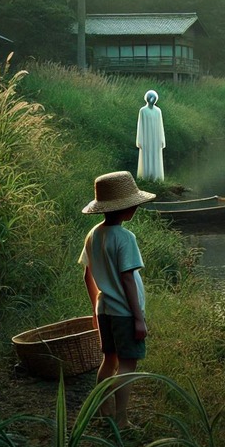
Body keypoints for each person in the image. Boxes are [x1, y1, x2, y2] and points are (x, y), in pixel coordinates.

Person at [79, 170, 156, 428]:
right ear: (127, 209)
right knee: (127, 364)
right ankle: (121, 420)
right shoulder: (125, 238)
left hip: (105, 310)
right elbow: (126, 280)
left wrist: (94, 309)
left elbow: (87, 276)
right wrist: (139, 318)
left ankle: (105, 412)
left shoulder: (94, 234)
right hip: (124, 313)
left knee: (108, 360)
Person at [136, 89, 166, 181]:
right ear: (147, 99)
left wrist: (162, 140)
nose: (152, 100)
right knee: (147, 156)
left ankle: (156, 177)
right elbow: (140, 126)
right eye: (150, 98)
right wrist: (139, 141)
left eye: (154, 98)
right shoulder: (143, 111)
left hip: (156, 138)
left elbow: (160, 126)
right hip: (146, 138)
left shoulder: (158, 111)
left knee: (155, 155)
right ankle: (146, 176)